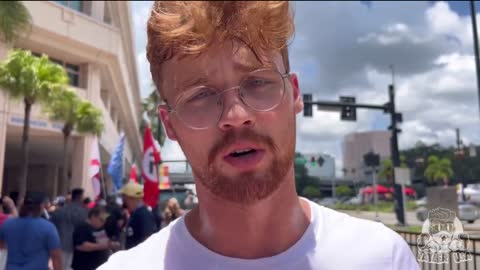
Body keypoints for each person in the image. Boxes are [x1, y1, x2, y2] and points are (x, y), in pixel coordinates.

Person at [99, 2, 420, 269]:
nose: (236, 117)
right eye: (200, 96)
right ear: (170, 125)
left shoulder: (382, 257)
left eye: (257, 82)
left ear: (294, 93)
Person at [0, 192, 62, 270]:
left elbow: (2, 245)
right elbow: (56, 256)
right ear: (41, 206)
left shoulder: (8, 224)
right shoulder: (48, 227)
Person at [50, 188, 87, 270]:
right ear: (79, 197)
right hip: (73, 246)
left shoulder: (59, 211)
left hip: (57, 244)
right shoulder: (83, 213)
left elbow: (51, 226)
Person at [118, 182, 157, 249]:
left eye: (124, 198)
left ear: (131, 198)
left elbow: (148, 240)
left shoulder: (144, 214)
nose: (123, 202)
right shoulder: (136, 213)